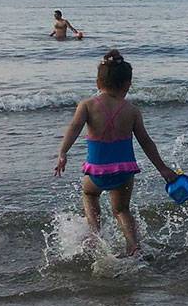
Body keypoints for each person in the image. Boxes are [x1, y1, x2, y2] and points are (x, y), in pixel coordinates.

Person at [53, 50, 179, 257]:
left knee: (89, 194)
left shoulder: (87, 105)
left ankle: (95, 236)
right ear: (127, 84)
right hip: (124, 172)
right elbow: (146, 142)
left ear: (97, 82)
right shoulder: (132, 110)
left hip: (97, 172)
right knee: (121, 210)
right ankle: (133, 246)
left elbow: (74, 128)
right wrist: (163, 169)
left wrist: (63, 152)